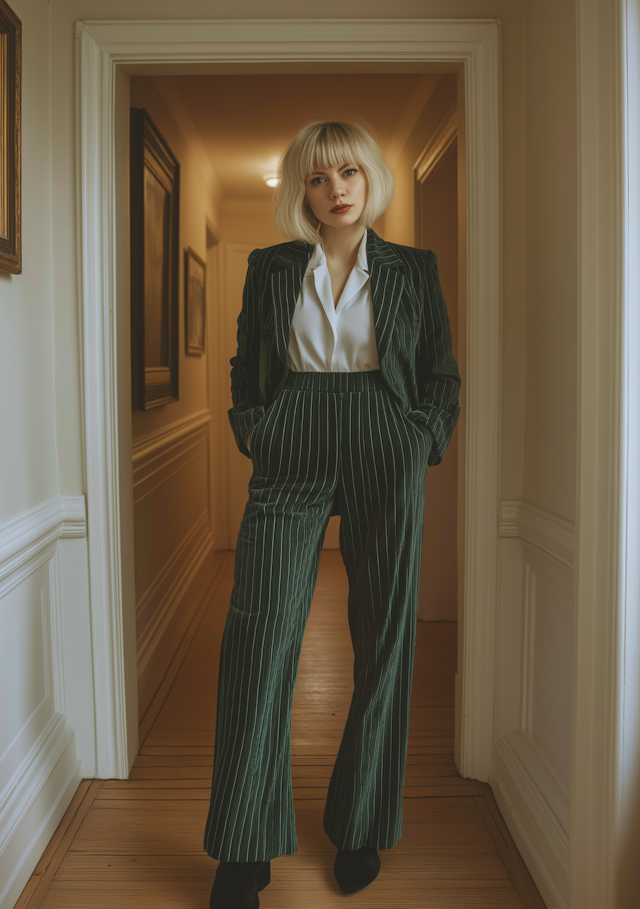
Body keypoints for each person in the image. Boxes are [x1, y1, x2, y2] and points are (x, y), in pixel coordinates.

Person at [204, 120, 461, 909]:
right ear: (302, 191)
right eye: (318, 178)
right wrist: (257, 426)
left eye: (349, 173)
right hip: (294, 441)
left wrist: (421, 438)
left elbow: (441, 375)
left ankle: (361, 822)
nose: (336, 189)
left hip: (388, 441)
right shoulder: (271, 267)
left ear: (370, 180)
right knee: (260, 633)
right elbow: (249, 361)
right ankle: (245, 845)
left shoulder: (413, 269)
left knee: (384, 636)